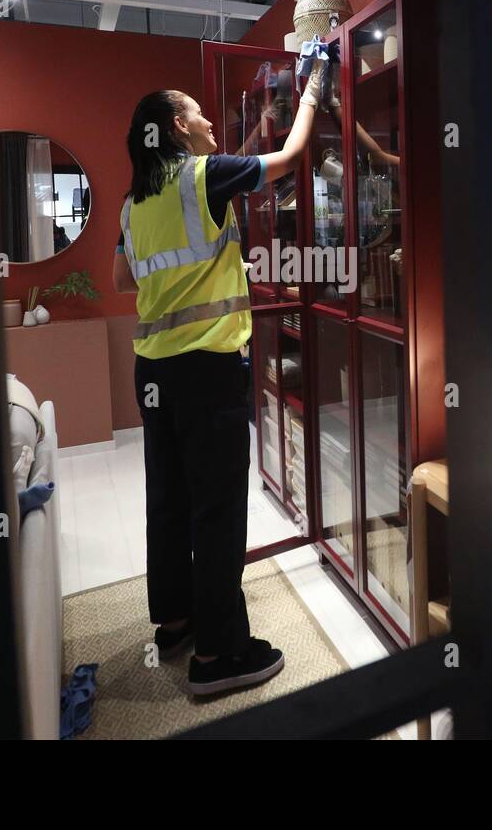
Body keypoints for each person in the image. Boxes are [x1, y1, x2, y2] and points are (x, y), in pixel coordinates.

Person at [112, 61, 328, 697]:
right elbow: (287, 158)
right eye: (200, 113)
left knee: (171, 501)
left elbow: (126, 282)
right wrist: (314, 88)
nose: (211, 120)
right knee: (218, 510)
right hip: (208, 369)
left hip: (153, 371)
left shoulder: (135, 200)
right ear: (180, 127)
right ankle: (218, 655)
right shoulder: (205, 176)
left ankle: (177, 622)